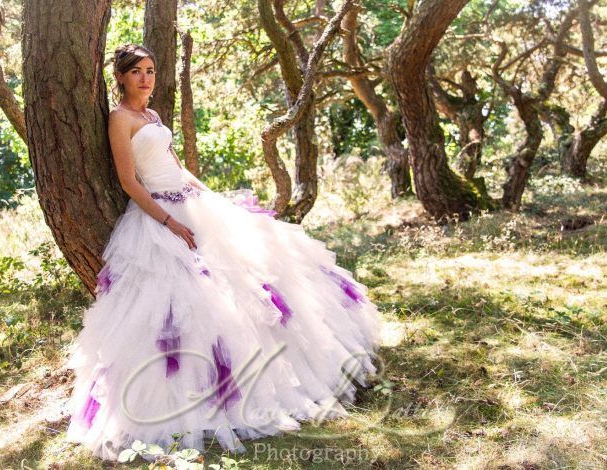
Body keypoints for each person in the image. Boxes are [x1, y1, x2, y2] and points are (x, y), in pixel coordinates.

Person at [64, 43, 383, 461]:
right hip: (157, 215)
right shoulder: (119, 119)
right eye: (137, 71)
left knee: (250, 279)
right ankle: (190, 399)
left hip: (190, 203)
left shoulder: (153, 116)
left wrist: (211, 198)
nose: (146, 78)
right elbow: (129, 182)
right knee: (182, 303)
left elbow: (177, 167)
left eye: (151, 70)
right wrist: (169, 222)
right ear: (121, 77)